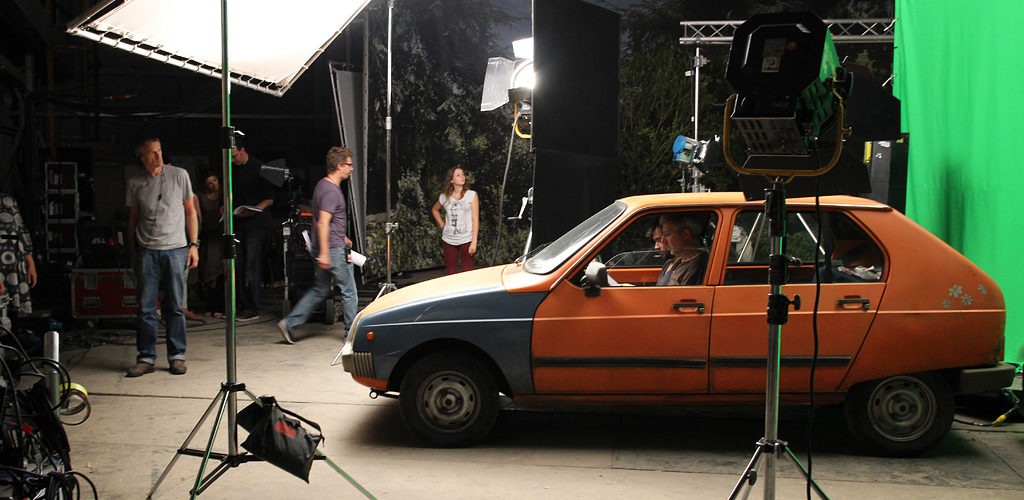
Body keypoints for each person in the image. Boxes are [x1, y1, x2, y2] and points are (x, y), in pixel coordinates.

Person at [125, 137, 199, 377]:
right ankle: (146, 357)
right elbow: (133, 219)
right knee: (146, 308)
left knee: (175, 305)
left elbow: (190, 212)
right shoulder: (135, 181)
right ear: (142, 157)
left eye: (159, 151)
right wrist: (133, 251)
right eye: (151, 153)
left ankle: (177, 356)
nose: (157, 156)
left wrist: (194, 245)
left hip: (176, 248)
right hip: (147, 251)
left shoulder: (179, 175)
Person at [276, 147, 359, 344]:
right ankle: (352, 336)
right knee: (349, 291)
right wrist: (324, 253)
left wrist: (343, 236)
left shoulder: (322, 185)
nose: (352, 168)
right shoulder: (332, 191)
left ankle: (289, 324)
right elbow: (322, 222)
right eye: (349, 164)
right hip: (332, 250)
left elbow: (328, 222)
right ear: (339, 166)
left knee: (320, 289)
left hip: (329, 245)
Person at [230, 135, 274, 321]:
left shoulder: (260, 168)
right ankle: (240, 303)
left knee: (251, 266)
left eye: (234, 156)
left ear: (242, 150)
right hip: (238, 222)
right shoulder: (233, 170)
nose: (233, 160)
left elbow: (269, 198)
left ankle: (252, 307)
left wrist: (253, 211)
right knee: (237, 265)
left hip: (255, 223)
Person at [430, 166, 479, 274]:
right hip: (449, 239)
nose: (462, 177)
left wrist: (474, 241)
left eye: (463, 174)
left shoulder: (472, 195)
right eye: (458, 175)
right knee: (451, 273)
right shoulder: (444, 196)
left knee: (468, 272)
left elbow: (475, 219)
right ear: (451, 180)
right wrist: (442, 224)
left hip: (466, 238)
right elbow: (434, 210)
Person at [0, 193, 37, 315]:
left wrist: (30, 262)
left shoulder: (8, 201)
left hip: (13, 258)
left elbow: (21, 230)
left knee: (12, 306)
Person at [196, 170, 225, 318]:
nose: (213, 184)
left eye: (214, 180)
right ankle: (210, 304)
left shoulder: (225, 194)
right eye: (209, 182)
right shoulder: (200, 196)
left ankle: (220, 306)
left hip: (223, 234)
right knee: (208, 270)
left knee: (222, 270)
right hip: (208, 234)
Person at [656, 213, 707, 286]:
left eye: (667, 234)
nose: (663, 241)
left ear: (686, 234)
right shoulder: (680, 262)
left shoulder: (696, 265)